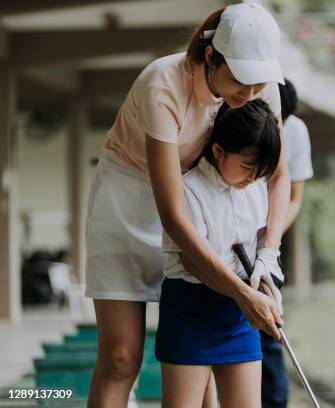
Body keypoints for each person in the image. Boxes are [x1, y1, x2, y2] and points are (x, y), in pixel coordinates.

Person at [84, 4, 289, 407]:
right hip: (132, 198)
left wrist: (268, 253)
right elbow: (172, 215)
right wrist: (241, 294)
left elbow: (277, 174)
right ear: (211, 57)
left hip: (206, 200)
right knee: (121, 357)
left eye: (258, 83)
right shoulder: (162, 82)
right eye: (240, 82)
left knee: (202, 360)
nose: (249, 95)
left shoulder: (262, 86)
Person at [156, 99, 281, 408]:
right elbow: (193, 261)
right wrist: (245, 295)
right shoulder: (189, 190)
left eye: (261, 173)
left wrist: (265, 270)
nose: (253, 179)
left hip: (238, 315)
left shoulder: (252, 188)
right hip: (190, 309)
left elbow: (262, 235)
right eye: (248, 168)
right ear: (218, 151)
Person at [261, 79, 314, 408]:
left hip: (267, 247)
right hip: (228, 242)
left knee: (270, 340)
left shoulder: (296, 131)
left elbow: (294, 197)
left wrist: (270, 240)